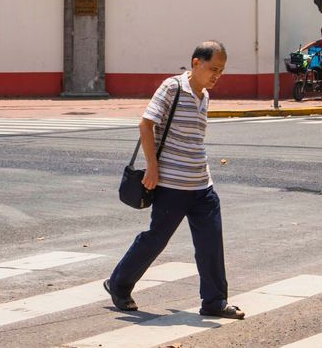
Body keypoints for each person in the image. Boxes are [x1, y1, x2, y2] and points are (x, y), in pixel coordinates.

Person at [103, 41, 244, 321]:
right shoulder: (173, 87)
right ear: (195, 63)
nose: (217, 75)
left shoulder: (204, 95)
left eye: (222, 71)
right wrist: (151, 168)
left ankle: (214, 301)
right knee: (156, 239)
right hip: (171, 184)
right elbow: (146, 123)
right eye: (213, 69)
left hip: (202, 184)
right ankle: (118, 283)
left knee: (210, 243)